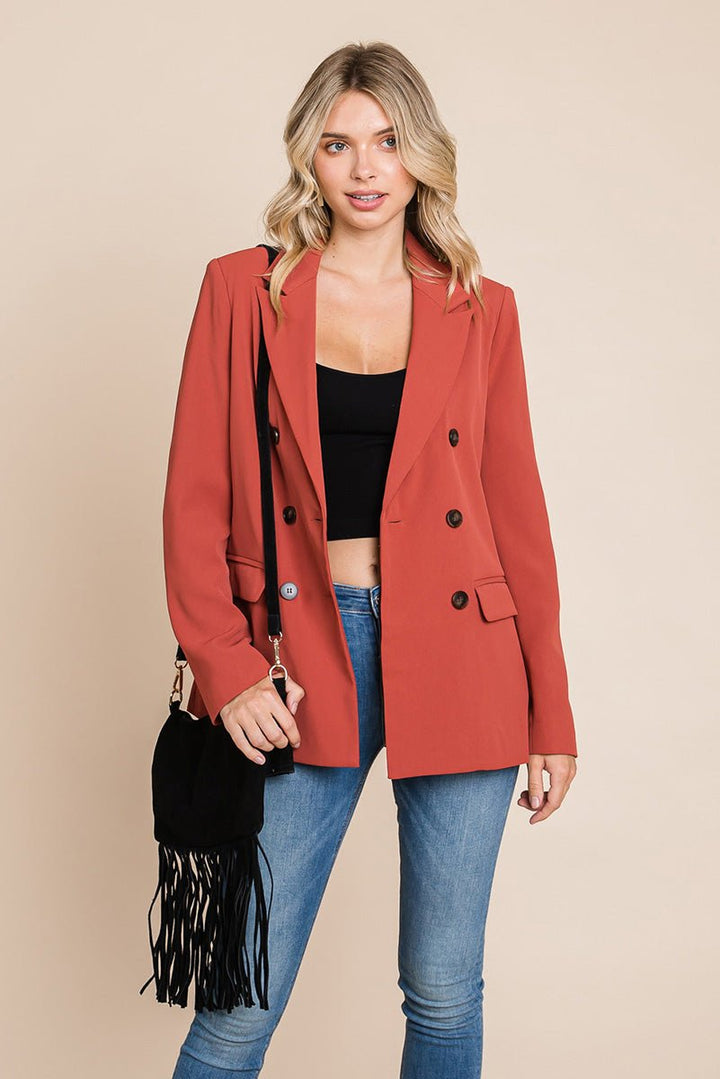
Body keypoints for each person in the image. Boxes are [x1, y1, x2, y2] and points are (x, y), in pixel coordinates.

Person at [163, 40, 578, 1079]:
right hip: (302, 656)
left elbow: (516, 514)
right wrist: (228, 666)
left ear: (420, 155)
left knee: (443, 989)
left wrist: (551, 710)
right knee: (239, 1003)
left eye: (388, 141)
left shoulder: (481, 306)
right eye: (339, 143)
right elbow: (194, 498)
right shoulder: (242, 290)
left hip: (465, 652)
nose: (364, 168)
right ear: (308, 154)